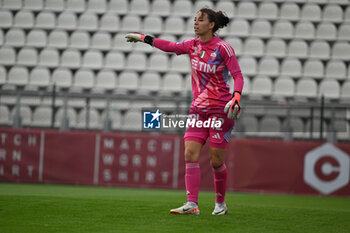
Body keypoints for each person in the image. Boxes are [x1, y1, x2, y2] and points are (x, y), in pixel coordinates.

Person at [125, 8, 243, 215]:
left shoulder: (223, 48)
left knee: (216, 160)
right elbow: (170, 46)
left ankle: (220, 204)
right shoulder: (192, 45)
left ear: (212, 24)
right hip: (198, 110)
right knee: (190, 154)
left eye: (200, 20)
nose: (195, 23)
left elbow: (238, 76)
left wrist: (236, 97)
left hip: (220, 111)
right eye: (194, 20)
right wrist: (144, 38)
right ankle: (192, 204)